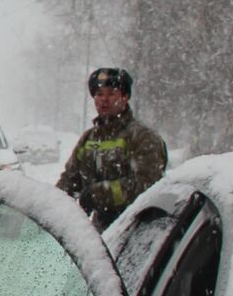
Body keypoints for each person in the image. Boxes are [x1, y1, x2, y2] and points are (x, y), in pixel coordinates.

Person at [57, 66, 168, 230]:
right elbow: (69, 182)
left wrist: (100, 194)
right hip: (100, 236)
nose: (104, 99)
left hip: (137, 232)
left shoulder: (143, 138)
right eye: (99, 94)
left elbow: (147, 184)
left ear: (125, 97)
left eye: (111, 93)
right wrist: (51, 207)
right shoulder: (88, 140)